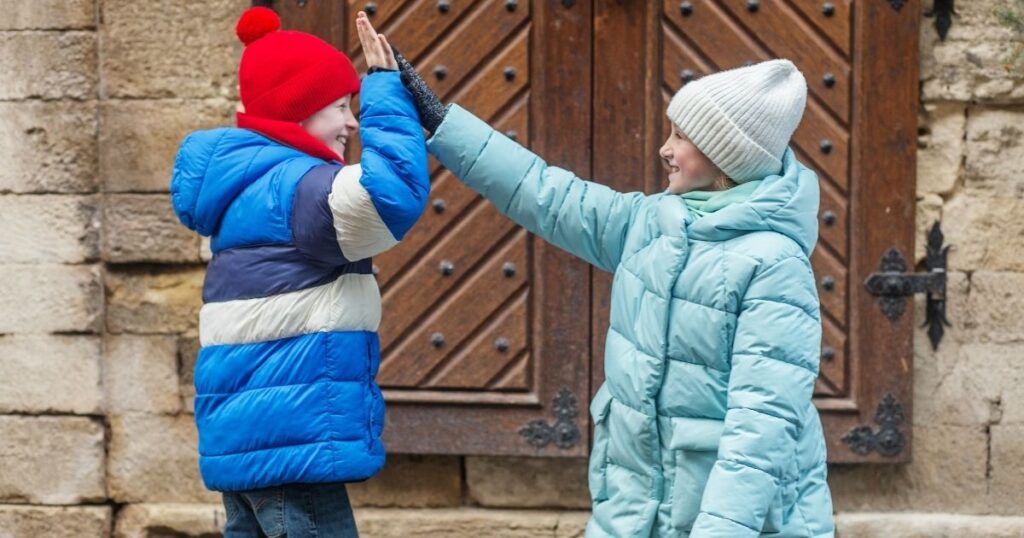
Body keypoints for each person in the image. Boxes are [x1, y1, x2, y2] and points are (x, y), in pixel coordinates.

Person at [371, 22, 835, 537]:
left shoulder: (773, 264)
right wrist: (440, 122)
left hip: (729, 521)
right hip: (635, 511)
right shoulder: (651, 222)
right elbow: (545, 194)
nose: (664, 148)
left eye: (681, 136)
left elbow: (762, 425)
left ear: (726, 156)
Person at [169, 8, 427, 537]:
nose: (352, 122)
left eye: (354, 106)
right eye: (339, 106)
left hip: (250, 440)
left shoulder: (247, 186)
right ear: (297, 112)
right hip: (293, 441)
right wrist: (384, 92)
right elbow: (390, 197)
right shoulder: (302, 189)